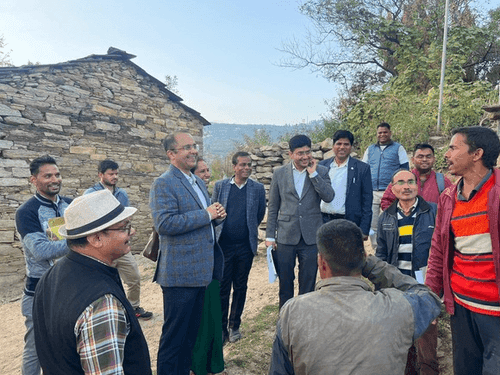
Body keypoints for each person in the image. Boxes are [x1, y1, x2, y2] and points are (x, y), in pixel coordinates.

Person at [269, 219, 442, 375]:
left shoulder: (292, 313)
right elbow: (429, 298)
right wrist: (374, 267)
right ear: (363, 259)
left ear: (322, 263)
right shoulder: (398, 307)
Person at [32, 190, 151, 374]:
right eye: (124, 227)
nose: (132, 231)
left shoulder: (50, 276)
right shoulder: (101, 303)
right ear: (96, 239)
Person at [425, 126, 500, 375]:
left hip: (495, 309)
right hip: (461, 306)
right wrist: (430, 299)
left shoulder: (497, 192)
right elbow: (438, 251)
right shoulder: (449, 197)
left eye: (453, 148)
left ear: (476, 154)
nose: (446, 154)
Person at [150, 132, 226, 375]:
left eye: (194, 146)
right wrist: (207, 214)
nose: (193, 150)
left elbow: (203, 218)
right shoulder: (164, 183)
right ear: (172, 154)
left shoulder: (196, 181)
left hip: (200, 273)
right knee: (175, 339)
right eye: (187, 147)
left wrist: (215, 216)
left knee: (190, 337)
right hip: (180, 275)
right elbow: (165, 224)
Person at [376, 169, 438, 375]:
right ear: (392, 189)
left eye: (410, 181)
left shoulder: (433, 212)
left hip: (424, 285)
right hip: (398, 286)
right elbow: (381, 256)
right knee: (402, 339)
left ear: (417, 186)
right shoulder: (386, 217)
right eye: (400, 182)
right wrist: (382, 292)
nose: (406, 186)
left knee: (427, 340)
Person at [15, 155, 72, 375]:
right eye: (47, 175)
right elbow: (40, 251)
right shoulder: (26, 212)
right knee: (36, 348)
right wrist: (80, 239)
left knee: (68, 343)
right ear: (33, 180)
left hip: (70, 284)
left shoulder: (71, 204)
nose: (54, 179)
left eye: (57, 174)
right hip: (40, 290)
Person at [265, 134, 334, 308]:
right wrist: (270, 236)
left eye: (307, 152)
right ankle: (285, 319)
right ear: (291, 154)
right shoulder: (279, 174)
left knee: (308, 283)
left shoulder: (321, 171)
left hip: (311, 236)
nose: (305, 157)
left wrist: (313, 174)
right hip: (286, 236)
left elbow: (329, 197)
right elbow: (273, 206)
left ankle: (305, 319)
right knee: (285, 283)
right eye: (300, 153)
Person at [84, 159, 152, 320]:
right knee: (104, 283)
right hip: (100, 247)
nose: (115, 177)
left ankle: (133, 307)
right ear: (101, 175)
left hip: (120, 245)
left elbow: (125, 217)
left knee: (134, 277)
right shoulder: (90, 195)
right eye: (111, 174)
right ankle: (105, 315)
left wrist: (129, 228)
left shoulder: (122, 194)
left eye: (116, 173)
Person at [213, 151, 266, 343]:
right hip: (224, 247)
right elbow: (214, 210)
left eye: (249, 165)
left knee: (241, 287)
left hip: (245, 246)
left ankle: (234, 325)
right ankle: (221, 329)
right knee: (222, 288)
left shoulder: (257, 188)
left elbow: (259, 214)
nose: (246, 168)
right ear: (234, 167)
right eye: (242, 165)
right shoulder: (221, 186)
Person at [189, 157, 225, 375]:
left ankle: (215, 365)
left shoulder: (204, 193)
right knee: (201, 321)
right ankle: (198, 367)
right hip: (195, 264)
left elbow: (207, 223)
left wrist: (218, 217)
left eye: (208, 170)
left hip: (211, 261)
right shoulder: (188, 195)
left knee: (213, 317)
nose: (207, 174)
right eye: (202, 171)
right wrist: (208, 215)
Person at [362, 122, 409, 249]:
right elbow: (364, 169)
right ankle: (377, 250)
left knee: (392, 221)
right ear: (377, 134)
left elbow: (405, 169)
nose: (382, 134)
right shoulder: (370, 149)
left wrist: (398, 187)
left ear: (390, 133)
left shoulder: (398, 148)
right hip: (372, 192)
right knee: (372, 225)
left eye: (385, 132)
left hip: (391, 193)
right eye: (380, 132)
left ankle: (394, 248)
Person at [319, 130, 373, 239]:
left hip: (349, 222)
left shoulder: (362, 168)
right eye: (338, 144)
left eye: (346, 144)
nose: (342, 147)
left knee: (347, 255)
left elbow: (367, 200)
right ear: (333, 146)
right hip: (323, 221)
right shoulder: (322, 166)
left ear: (351, 147)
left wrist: (364, 229)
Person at [381, 143, 452, 210]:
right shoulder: (401, 178)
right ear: (412, 160)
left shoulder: (442, 182)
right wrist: (398, 218)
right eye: (420, 157)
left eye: (428, 156)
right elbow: (386, 201)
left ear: (433, 159)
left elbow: (450, 205)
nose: (424, 160)